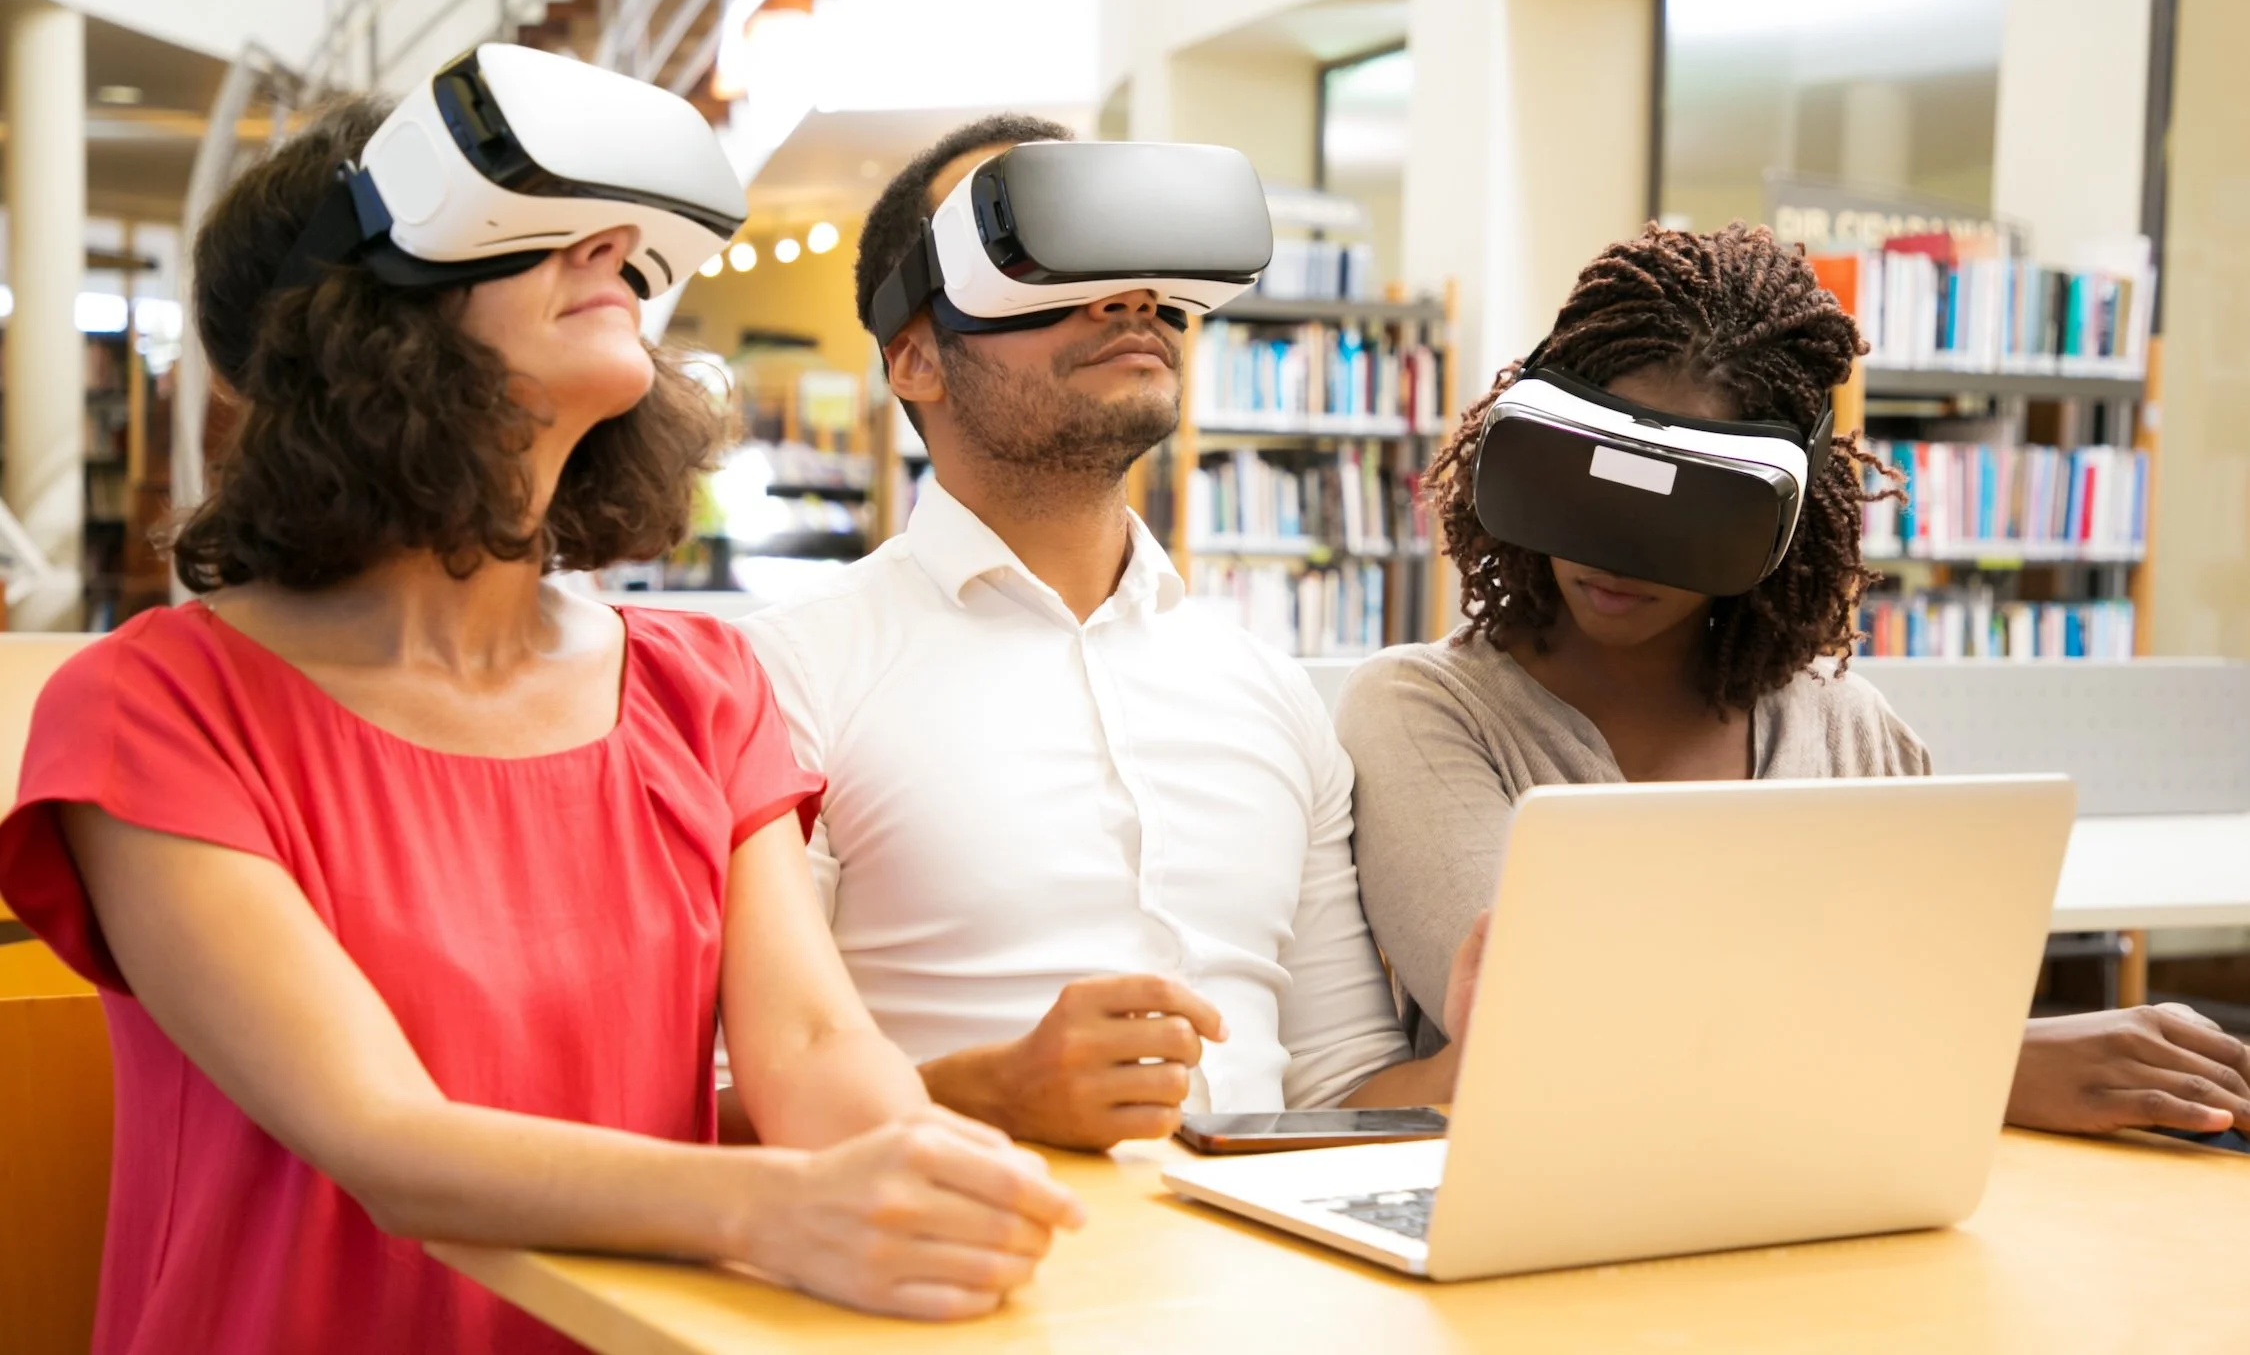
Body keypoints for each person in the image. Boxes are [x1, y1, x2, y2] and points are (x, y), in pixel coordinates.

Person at [0, 99, 1080, 1355]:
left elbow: (814, 1043)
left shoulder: (698, 687)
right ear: (353, 318)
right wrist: (782, 1207)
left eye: (613, 233)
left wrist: (926, 1179)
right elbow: (383, 1140)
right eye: (525, 222)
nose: (610, 247)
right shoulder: (159, 708)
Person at [1338, 221, 2250, 1141]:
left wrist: (1960, 1048)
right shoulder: (1423, 711)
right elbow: (1560, 1037)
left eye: (1691, 507)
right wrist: (1984, 1061)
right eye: (1597, 487)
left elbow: (1929, 995)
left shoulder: (1850, 728)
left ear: (1783, 519)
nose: (1615, 556)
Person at [738, 115, 1478, 1153]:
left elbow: (1338, 1086)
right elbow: (707, 1100)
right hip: (959, 1278)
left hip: (1268, 1287)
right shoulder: (785, 678)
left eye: (1139, 260)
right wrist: (978, 1093)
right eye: (1042, 248)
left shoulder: (1267, 694)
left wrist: (1489, 1050)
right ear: (914, 357)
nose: (1130, 295)